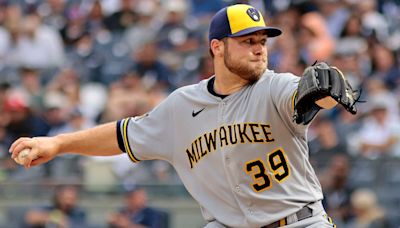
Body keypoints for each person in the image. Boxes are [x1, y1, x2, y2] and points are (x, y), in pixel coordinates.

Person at [10, 4, 355, 227]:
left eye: (263, 40)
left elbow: (305, 99)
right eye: (247, 41)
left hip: (298, 222)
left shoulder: (276, 87)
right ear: (217, 47)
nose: (259, 48)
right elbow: (122, 135)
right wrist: (57, 143)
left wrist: (325, 94)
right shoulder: (181, 106)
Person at [24, 185, 88, 227]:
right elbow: (30, 217)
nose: (68, 202)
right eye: (66, 199)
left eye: (72, 199)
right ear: (58, 198)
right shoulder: (49, 209)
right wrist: (54, 218)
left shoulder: (79, 214)